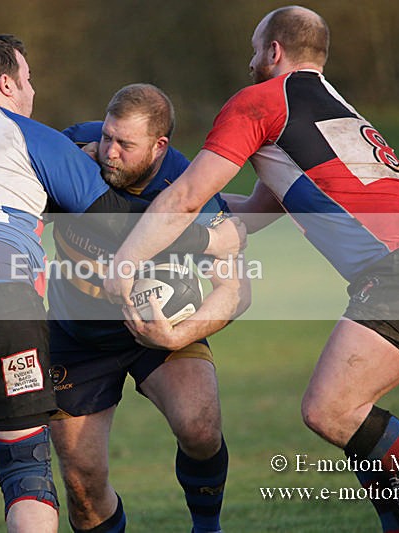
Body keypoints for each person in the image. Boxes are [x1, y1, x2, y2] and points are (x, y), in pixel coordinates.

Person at [104, 7, 399, 533]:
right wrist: (151, 211)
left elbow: (187, 195)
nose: (250, 61)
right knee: (353, 412)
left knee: (329, 410)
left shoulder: (259, 102)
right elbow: (254, 210)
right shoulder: (331, 110)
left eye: (255, 50)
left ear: (273, 51)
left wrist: (126, 260)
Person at [0, 35, 242, 533]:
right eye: (27, 79)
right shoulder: (31, 136)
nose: (32, 90)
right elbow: (114, 219)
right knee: (36, 472)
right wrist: (207, 239)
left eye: (124, 144)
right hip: (11, 305)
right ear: (5, 83)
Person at [47, 83, 251, 533]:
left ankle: (207, 528)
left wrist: (176, 336)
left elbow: (237, 290)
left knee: (200, 427)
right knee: (82, 486)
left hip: (160, 332)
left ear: (159, 146)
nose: (110, 152)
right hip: (75, 336)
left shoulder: (188, 185)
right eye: (107, 137)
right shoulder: (75, 145)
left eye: (125, 144)